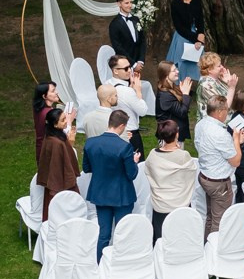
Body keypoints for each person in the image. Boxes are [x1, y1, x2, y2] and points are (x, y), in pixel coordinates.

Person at [83, 110, 141, 261]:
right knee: (122, 232)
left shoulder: (90, 143)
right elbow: (132, 174)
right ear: (122, 126)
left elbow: (87, 168)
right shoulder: (124, 147)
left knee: (104, 233)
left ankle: (100, 263)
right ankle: (120, 263)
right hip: (122, 195)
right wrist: (134, 162)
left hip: (100, 193)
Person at [194, 94, 244, 240]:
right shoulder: (220, 133)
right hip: (219, 183)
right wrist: (236, 140)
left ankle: (206, 244)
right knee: (220, 221)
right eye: (226, 111)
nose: (227, 114)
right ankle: (214, 251)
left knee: (210, 216)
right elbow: (235, 161)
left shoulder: (200, 124)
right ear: (219, 112)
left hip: (205, 175)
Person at [144, 119, 198, 244]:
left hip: (160, 205)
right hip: (180, 204)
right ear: (177, 134)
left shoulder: (153, 155)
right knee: (180, 239)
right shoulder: (183, 156)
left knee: (161, 240)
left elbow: (149, 172)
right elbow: (191, 173)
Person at [37, 107, 79, 222]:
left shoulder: (54, 136)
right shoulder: (55, 142)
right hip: (60, 184)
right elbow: (57, 166)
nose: (66, 121)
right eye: (63, 120)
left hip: (60, 181)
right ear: (55, 125)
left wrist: (70, 142)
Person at [165, 0, 205, 81]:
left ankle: (194, 83)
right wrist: (195, 39)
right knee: (182, 61)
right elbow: (179, 27)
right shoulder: (175, 4)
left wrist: (201, 34)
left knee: (197, 61)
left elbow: (200, 19)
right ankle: (180, 85)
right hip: (183, 35)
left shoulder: (196, 0)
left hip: (196, 33)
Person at [107, 54, 148, 155]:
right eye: (126, 68)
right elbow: (143, 111)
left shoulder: (106, 84)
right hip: (130, 133)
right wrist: (138, 91)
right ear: (115, 71)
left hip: (112, 132)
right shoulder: (127, 91)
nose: (130, 70)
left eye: (130, 67)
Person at [155, 60, 194, 146]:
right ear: (166, 74)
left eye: (176, 69)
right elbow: (182, 112)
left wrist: (186, 92)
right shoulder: (165, 95)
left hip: (174, 134)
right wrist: (185, 94)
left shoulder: (172, 88)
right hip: (169, 137)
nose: (178, 71)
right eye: (174, 70)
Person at [195, 52, 238, 124]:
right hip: (213, 126)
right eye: (219, 66)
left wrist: (227, 83)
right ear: (209, 70)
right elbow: (222, 107)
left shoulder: (216, 79)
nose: (222, 67)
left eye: (221, 65)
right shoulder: (206, 85)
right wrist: (231, 88)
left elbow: (231, 98)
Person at [108, 0, 146, 70]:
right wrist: (133, 64)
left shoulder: (136, 19)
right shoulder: (114, 24)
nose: (130, 5)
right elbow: (118, 47)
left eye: (130, 2)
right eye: (126, 3)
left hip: (139, 63)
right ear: (119, 4)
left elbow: (142, 40)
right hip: (124, 65)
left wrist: (141, 60)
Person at [33, 81, 61, 162]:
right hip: (49, 151)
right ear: (44, 96)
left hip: (42, 147)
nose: (56, 92)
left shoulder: (39, 109)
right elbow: (59, 132)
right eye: (53, 91)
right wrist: (69, 120)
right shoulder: (47, 113)